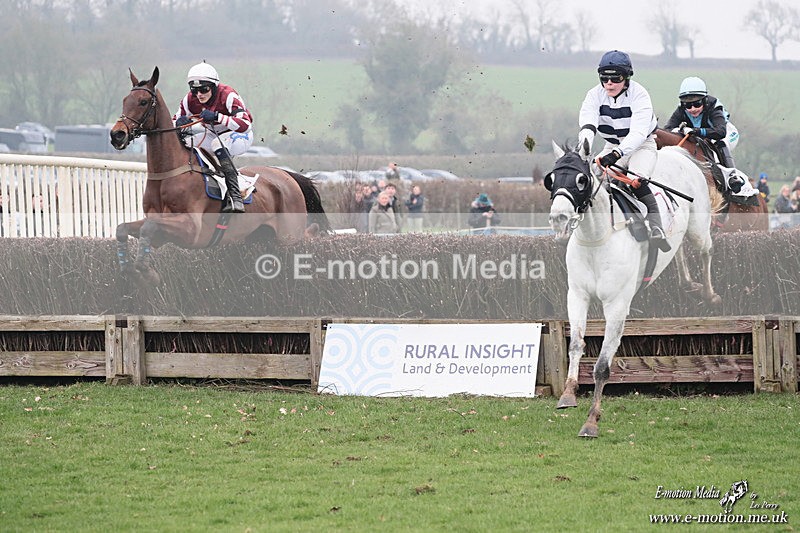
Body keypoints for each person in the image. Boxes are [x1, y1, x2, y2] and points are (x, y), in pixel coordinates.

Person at [577, 50, 670, 251]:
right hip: (611, 145)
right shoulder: (594, 95)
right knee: (594, 180)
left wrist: (618, 154)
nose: (609, 83)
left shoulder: (639, 94)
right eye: (604, 78)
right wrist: (584, 147)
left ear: (626, 78)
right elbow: (587, 124)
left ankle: (656, 226)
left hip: (641, 145)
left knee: (636, 179)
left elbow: (637, 133)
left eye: (615, 78)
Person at [173, 61, 254, 213]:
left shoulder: (228, 95)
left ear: (214, 86)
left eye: (204, 89)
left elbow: (245, 125)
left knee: (217, 144)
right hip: (212, 133)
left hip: (239, 135)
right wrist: (179, 122)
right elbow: (174, 120)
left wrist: (218, 117)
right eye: (194, 90)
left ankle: (235, 196)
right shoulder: (189, 100)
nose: (199, 95)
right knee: (187, 143)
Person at [663, 77, 742, 191]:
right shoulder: (681, 110)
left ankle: (733, 176)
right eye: (688, 105)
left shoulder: (714, 107)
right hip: (703, 136)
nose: (693, 109)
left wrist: (697, 131)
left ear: (704, 100)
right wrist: (680, 130)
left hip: (726, 134)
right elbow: (668, 129)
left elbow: (721, 132)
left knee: (721, 143)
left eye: (697, 103)